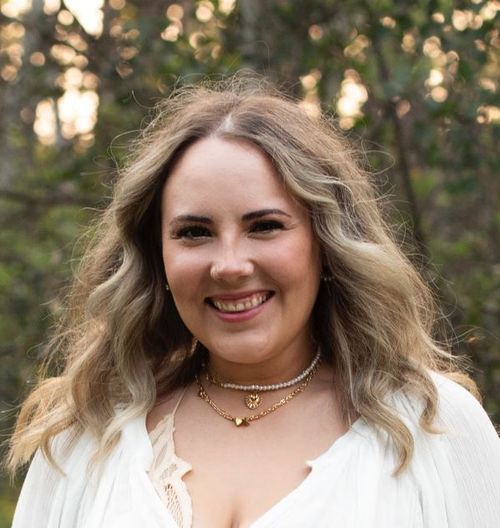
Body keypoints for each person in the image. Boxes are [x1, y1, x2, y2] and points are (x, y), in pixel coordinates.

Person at [7, 79, 500, 528]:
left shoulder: (435, 427)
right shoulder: (87, 436)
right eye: (194, 232)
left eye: (264, 226)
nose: (229, 266)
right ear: (158, 257)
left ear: (325, 242)